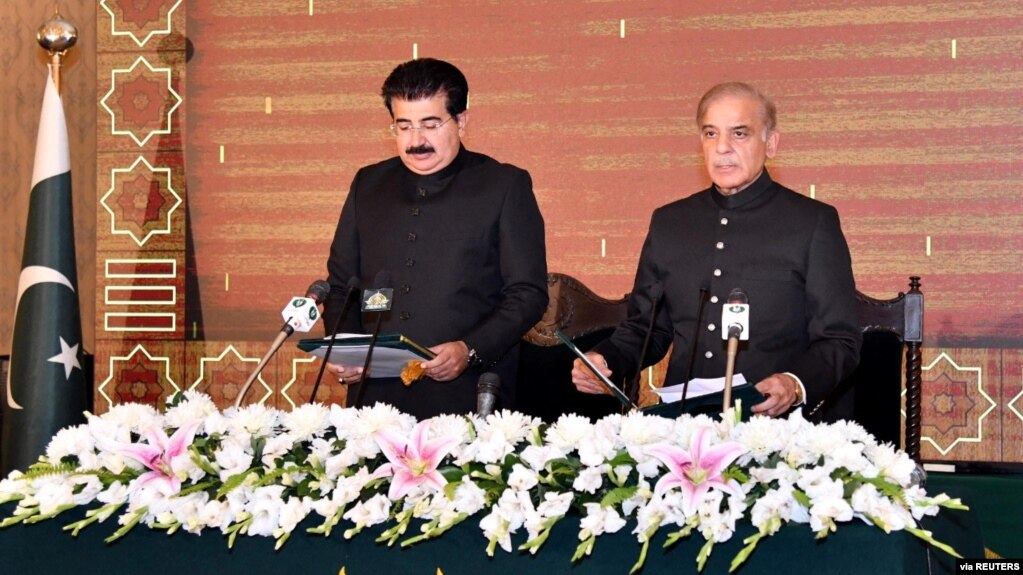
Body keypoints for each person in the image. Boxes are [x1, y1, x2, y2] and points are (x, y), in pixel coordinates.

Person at [571, 82, 861, 420]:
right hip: (681, 426)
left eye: (739, 134)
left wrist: (794, 383)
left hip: (775, 431)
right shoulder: (670, 222)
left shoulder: (813, 222)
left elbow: (840, 340)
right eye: (711, 134)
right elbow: (647, 329)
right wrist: (604, 360)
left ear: (772, 143)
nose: (722, 147)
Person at [322, 58, 549, 419]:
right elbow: (341, 287)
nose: (416, 142)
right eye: (404, 126)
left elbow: (528, 292)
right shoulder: (368, 184)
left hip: (469, 392)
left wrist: (469, 348)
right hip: (375, 400)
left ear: (461, 121)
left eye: (430, 125)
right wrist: (346, 349)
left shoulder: (504, 185)